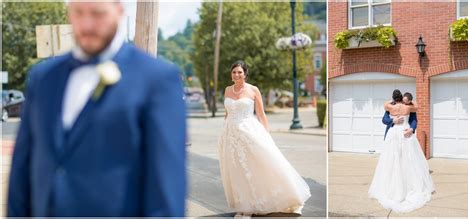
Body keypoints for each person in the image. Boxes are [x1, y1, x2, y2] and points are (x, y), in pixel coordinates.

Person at [8, 2, 186, 216]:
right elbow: (21, 171)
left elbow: (166, 188)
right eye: (79, 13)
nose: (87, 24)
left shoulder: (157, 79)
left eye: (97, 14)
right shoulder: (42, 77)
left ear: (119, 12)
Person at [218, 61, 311, 218]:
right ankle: (242, 205)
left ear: (245, 74)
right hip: (230, 135)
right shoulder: (227, 90)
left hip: (249, 132)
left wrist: (266, 135)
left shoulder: (253, 90)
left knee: (256, 167)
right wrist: (224, 132)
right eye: (234, 72)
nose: (236, 75)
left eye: (240, 72)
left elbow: (261, 114)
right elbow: (227, 113)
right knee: (236, 171)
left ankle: (253, 206)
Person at [368, 89, 435, 213]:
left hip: (406, 134)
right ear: (403, 98)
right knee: (393, 160)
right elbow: (384, 120)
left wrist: (412, 129)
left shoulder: (390, 106)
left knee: (407, 159)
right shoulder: (409, 107)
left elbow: (414, 121)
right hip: (395, 134)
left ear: (394, 98)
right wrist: (393, 120)